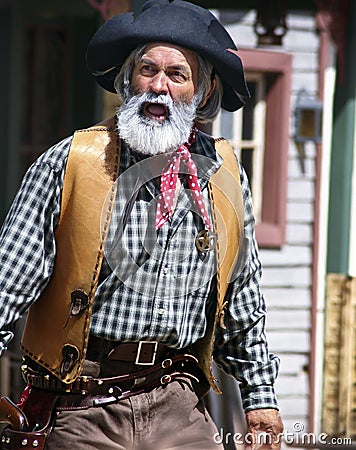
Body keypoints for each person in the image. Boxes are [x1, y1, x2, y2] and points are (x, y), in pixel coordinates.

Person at [0, 0, 284, 449]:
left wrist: (260, 398)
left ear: (203, 93)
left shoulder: (224, 175)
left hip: (179, 403)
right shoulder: (70, 163)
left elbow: (242, 299)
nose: (159, 87)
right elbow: (8, 283)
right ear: (127, 82)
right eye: (147, 70)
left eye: (177, 75)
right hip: (80, 407)